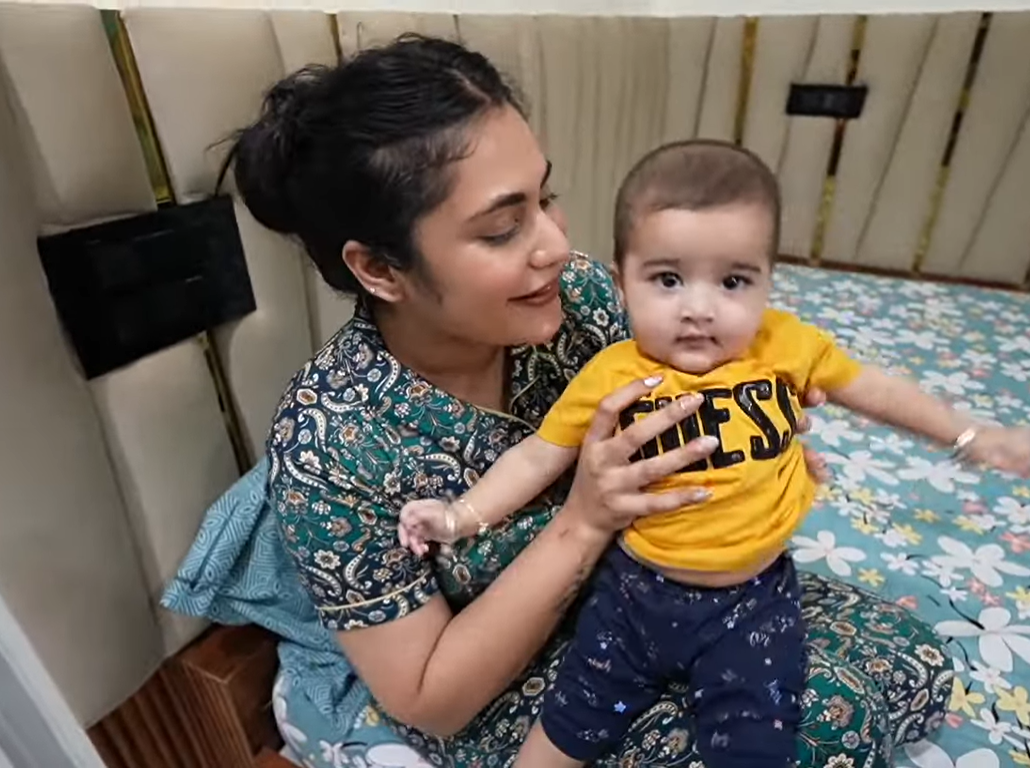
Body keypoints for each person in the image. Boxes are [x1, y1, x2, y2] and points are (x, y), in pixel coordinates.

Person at [230, 34, 954, 767]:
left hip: (662, 584)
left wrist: (757, 422)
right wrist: (584, 520)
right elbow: (431, 699)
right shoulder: (332, 442)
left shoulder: (576, 293)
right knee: (815, 735)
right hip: (516, 675)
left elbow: (688, 379)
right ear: (382, 269)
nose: (553, 244)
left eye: (546, 198)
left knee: (913, 660)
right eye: (503, 228)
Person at [394, 140, 1030, 768]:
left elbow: (874, 390)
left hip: (754, 601)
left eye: (733, 281)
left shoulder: (783, 345)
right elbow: (539, 456)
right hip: (633, 599)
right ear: (622, 283)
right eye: (668, 279)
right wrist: (459, 516)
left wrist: (968, 434)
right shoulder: (614, 374)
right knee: (570, 722)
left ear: (767, 283)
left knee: (760, 741)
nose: (698, 309)